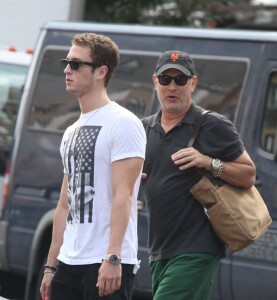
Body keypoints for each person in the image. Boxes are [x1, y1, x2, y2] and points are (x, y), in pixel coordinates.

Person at [141, 50, 256, 300]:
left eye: (180, 80)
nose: (172, 86)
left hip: (197, 249)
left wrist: (208, 162)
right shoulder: (143, 128)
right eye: (165, 79)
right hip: (158, 250)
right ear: (155, 82)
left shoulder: (212, 124)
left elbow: (248, 175)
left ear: (193, 83)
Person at [40, 33, 146, 300]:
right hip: (69, 260)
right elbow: (65, 203)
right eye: (66, 62)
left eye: (76, 64)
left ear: (101, 72)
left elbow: (124, 196)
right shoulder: (71, 131)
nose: (67, 69)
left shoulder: (123, 122)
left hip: (105, 260)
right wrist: (51, 266)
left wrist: (113, 257)